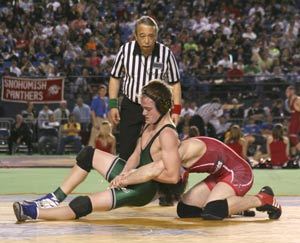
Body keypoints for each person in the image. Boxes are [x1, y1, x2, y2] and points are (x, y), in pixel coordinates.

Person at [13, 80, 182, 222]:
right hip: (134, 178)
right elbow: (137, 153)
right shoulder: (150, 123)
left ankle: (32, 213)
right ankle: (54, 198)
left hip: (143, 190)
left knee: (83, 203)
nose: (143, 113)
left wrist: (136, 176)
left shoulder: (167, 134)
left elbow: (173, 176)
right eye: (143, 108)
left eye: (148, 109)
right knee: (88, 154)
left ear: (164, 105)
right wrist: (124, 174)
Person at [112, 136, 282, 220]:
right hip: (220, 175)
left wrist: (124, 179)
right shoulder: (172, 159)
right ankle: (234, 206)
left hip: (238, 172)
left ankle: (263, 198)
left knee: (213, 210)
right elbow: (156, 173)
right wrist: (130, 173)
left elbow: (154, 170)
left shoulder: (184, 150)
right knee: (185, 210)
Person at [108, 15, 182, 161]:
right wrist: (113, 105)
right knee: (126, 150)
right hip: (131, 105)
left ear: (156, 36)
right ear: (135, 35)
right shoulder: (125, 51)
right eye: (142, 36)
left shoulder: (166, 54)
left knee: (157, 150)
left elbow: (175, 83)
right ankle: (123, 182)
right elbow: (115, 78)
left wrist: (177, 110)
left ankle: (155, 182)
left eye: (151, 36)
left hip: (158, 108)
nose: (147, 40)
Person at [285, 85, 300, 156]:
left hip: (297, 121)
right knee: (290, 139)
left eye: (287, 92)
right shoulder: (289, 100)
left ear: (292, 91)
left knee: (293, 137)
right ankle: (293, 156)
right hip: (294, 120)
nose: (286, 93)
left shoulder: (298, 100)